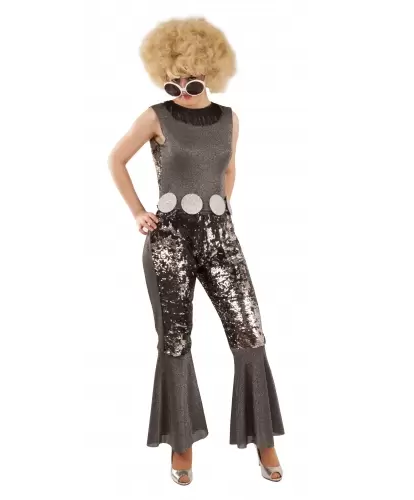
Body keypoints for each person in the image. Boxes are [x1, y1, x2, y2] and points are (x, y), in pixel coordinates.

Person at [108, 16, 285, 485]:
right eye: (173, 83)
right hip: (169, 242)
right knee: (176, 340)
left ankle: (263, 439)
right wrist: (138, 212)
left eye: (191, 81)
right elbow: (116, 159)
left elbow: (228, 170)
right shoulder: (156, 116)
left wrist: (220, 209)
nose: (182, 91)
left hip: (222, 239)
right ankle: (181, 443)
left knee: (250, 335)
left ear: (210, 72)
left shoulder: (229, 119)